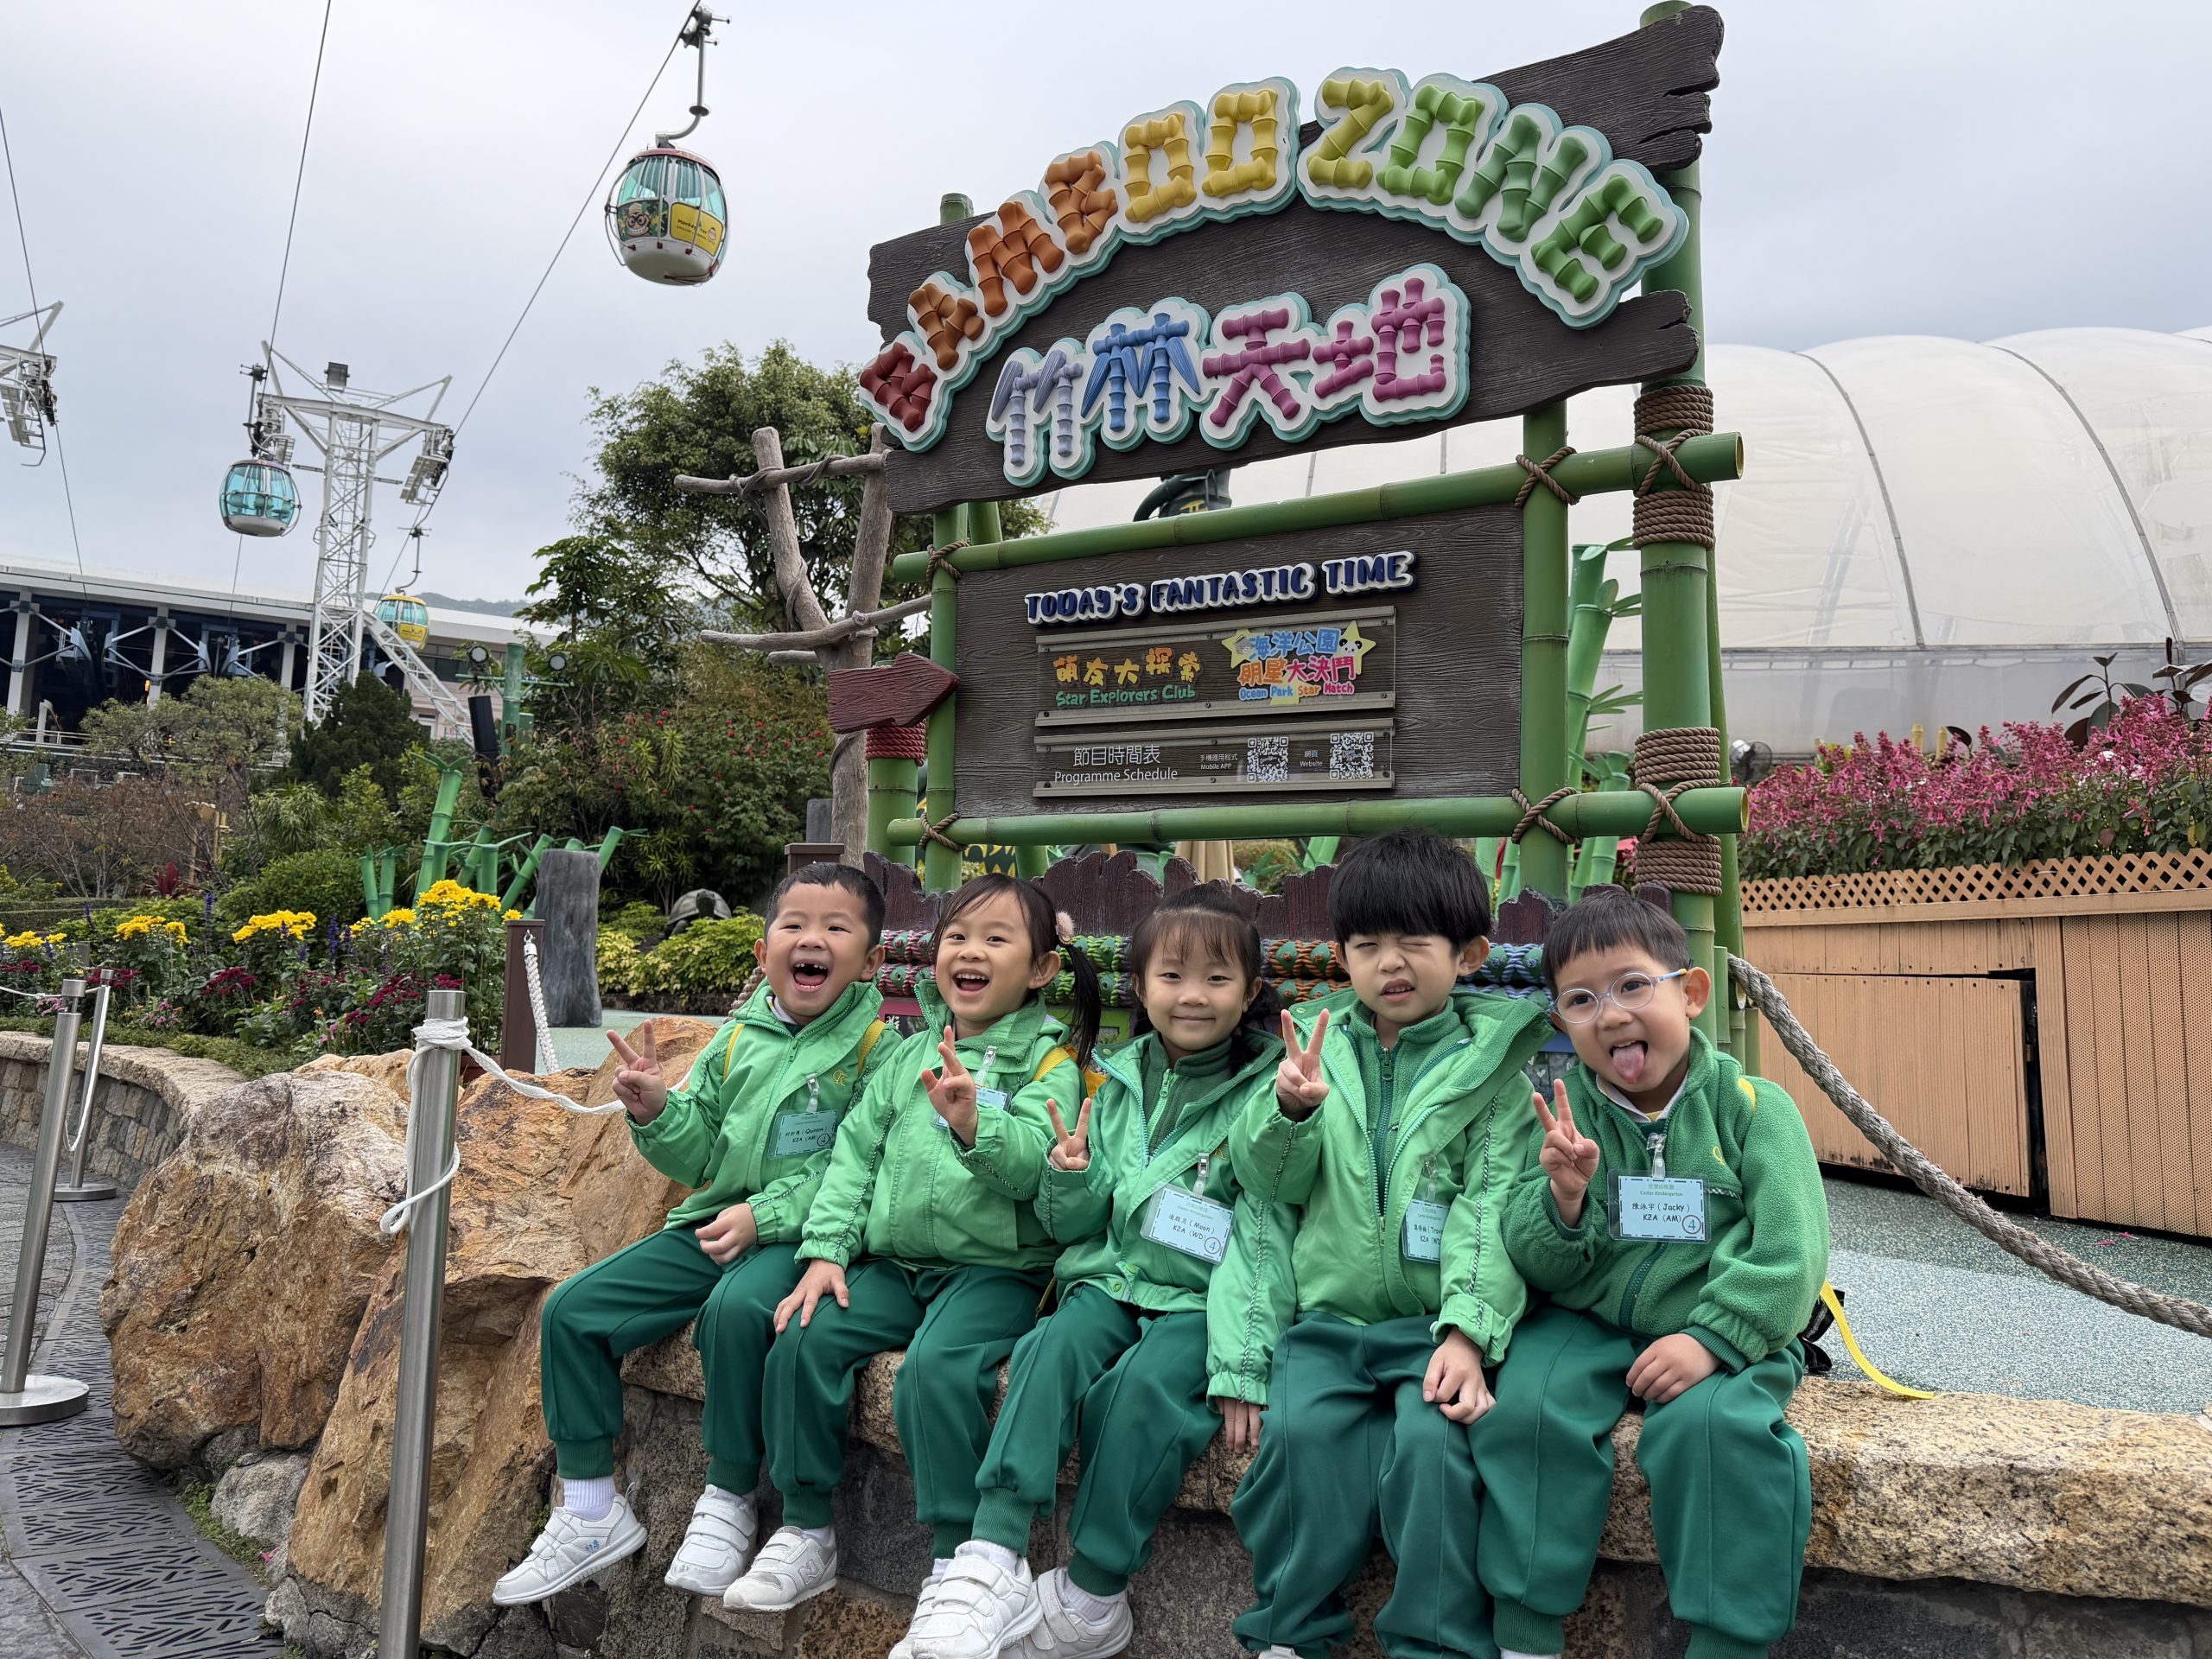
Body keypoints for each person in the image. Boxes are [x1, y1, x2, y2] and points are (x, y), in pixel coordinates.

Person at [904, 884, 1298, 1659]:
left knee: (1139, 1392)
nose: (1192, 996)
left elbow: (1262, 1235)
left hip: (1200, 1301)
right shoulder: (1113, 1085)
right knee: (1047, 1349)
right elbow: (1077, 1227)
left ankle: (1092, 1592)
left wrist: (1243, 1360)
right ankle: (992, 1553)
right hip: (1109, 1281)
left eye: (1217, 978)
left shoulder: (1267, 1097)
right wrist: (1071, 1175)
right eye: (1171, 976)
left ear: (1250, 990)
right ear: (1140, 987)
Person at [493, 863, 891, 1605]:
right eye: (794, 924)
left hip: (800, 1240)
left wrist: (764, 1216)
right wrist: (655, 1111)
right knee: (571, 1312)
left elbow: (859, 1165)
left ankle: (730, 1494)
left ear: (870, 961)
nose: (811, 939)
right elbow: (700, 1150)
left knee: (736, 1311)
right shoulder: (737, 1037)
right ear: (763, 952)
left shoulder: (878, 1050)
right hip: (713, 1226)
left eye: (836, 928)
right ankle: (590, 1509)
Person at [722, 874, 1104, 1639]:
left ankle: (956, 1560)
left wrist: (975, 1127)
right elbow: (854, 1157)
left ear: (1041, 969)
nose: (970, 952)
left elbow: (1035, 1170)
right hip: (898, 1264)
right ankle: (805, 1526)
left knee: (936, 1370)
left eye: (996, 939)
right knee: (803, 1332)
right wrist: (827, 1251)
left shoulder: (1051, 1065)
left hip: (999, 1270)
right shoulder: (908, 1056)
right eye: (956, 937)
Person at [1473, 887, 1829, 1659]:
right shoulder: (1565, 1117)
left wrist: (1713, 1339)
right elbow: (1532, 1257)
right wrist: (1565, 1199)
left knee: (1717, 1434)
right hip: (1587, 1321)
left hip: (1721, 1329)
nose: (1610, 1015)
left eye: (1633, 985)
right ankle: (1525, 1631)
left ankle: (1728, 1643)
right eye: (1581, 1000)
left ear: (1691, 992)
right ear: (1561, 1020)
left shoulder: (1753, 1109)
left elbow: (1792, 1253)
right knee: (1527, 1410)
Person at [1229, 827, 1551, 1659]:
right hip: (1327, 1323)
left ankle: (1434, 1644)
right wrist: (1288, 1113)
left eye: (1415, 942)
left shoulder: (1492, 1074)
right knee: (1295, 1447)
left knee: (1434, 1453)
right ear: (1342, 957)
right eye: (1367, 945)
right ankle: (1289, 1633)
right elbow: (1264, 1186)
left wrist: (1467, 1332)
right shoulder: (1310, 1051)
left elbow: (1490, 1208)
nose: (1390, 963)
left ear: (1469, 954)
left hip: (1432, 1330)